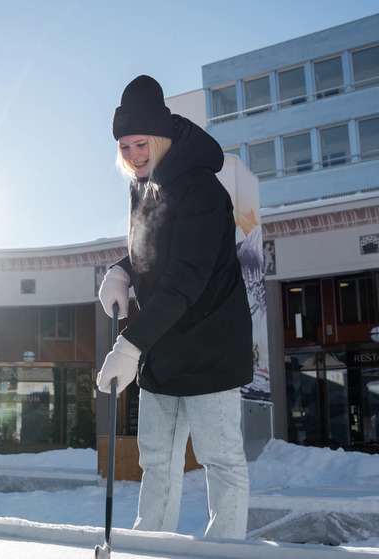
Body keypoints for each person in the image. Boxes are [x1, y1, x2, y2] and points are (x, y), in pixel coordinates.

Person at [96, 75, 253, 539]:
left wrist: (128, 347)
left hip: (210, 349)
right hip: (162, 347)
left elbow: (187, 275)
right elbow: (155, 250)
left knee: (219, 460)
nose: (133, 155)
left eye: (140, 144)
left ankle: (225, 551)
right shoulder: (142, 187)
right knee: (156, 463)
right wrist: (123, 269)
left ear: (160, 137)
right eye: (124, 147)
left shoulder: (201, 189)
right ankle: (148, 547)